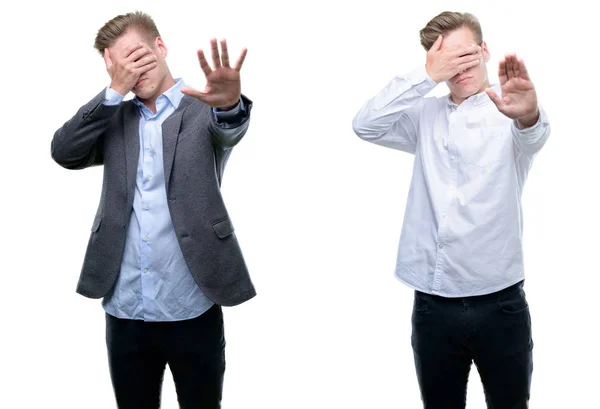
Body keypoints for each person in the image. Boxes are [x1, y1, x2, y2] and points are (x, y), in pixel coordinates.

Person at [51, 11, 255, 409]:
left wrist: (229, 104)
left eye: (136, 55)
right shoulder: (114, 118)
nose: (129, 70)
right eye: (118, 65)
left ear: (160, 47)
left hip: (192, 303)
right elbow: (64, 153)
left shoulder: (203, 107)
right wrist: (112, 93)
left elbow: (228, 127)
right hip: (125, 307)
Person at [352, 11, 550, 409]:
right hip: (432, 306)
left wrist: (528, 113)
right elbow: (366, 124)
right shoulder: (425, 115)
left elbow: (534, 133)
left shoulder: (509, 113)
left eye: (466, 55)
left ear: (485, 51)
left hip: (501, 304)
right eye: (447, 61)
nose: (460, 68)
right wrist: (424, 77)